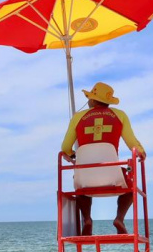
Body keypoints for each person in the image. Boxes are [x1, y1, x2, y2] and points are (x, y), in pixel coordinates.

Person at [61, 82, 145, 235]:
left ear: (93, 100)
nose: (88, 101)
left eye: (89, 98)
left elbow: (65, 148)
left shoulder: (77, 117)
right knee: (130, 183)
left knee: (79, 182)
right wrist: (141, 152)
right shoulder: (119, 115)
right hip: (112, 174)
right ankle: (119, 218)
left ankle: (87, 219)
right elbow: (132, 143)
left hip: (86, 177)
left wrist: (72, 155)